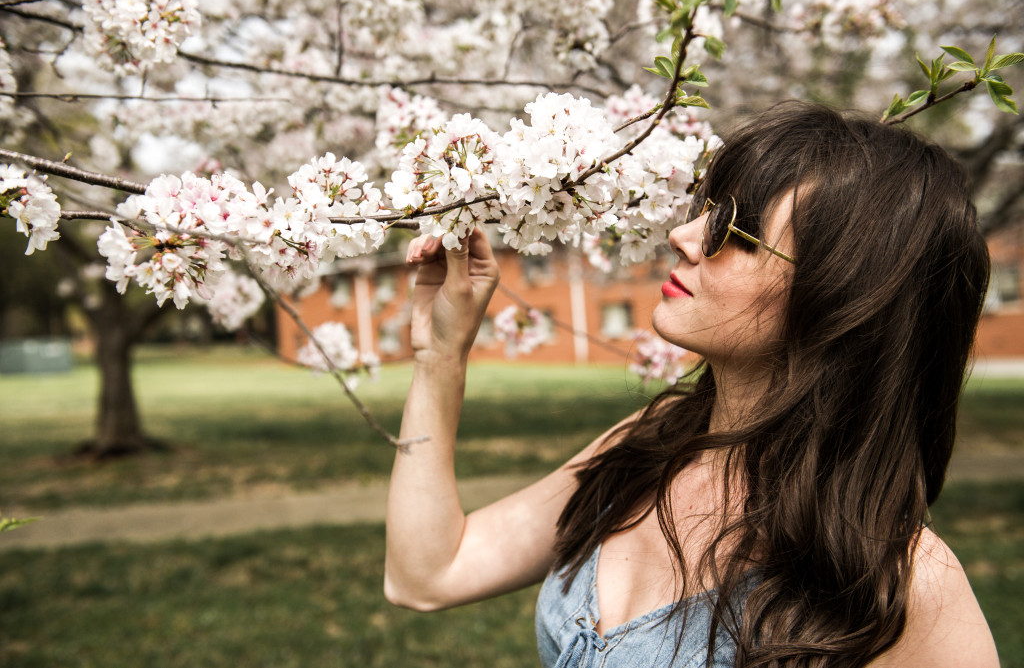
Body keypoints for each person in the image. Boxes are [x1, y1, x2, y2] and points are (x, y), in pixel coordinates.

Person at [383, 102, 1001, 668]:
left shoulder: (904, 585)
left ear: (843, 300)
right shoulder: (648, 449)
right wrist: (439, 356)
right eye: (707, 207)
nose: (683, 236)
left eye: (735, 230)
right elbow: (428, 574)